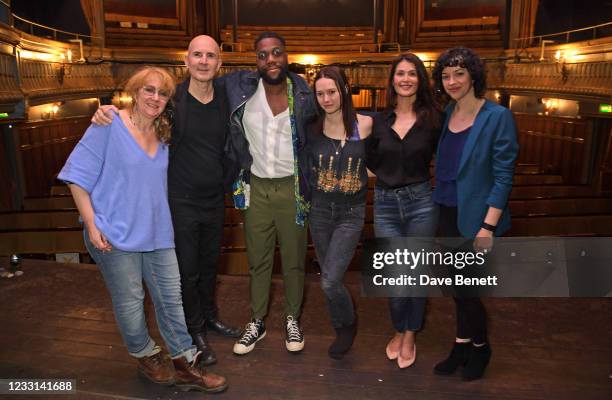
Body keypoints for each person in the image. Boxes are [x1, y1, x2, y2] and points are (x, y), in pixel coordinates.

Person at [58, 66, 228, 393]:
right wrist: (91, 222)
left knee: (171, 298)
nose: (155, 98)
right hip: (112, 230)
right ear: (135, 92)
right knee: (131, 300)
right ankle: (145, 354)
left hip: (157, 232)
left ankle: (185, 363)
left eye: (163, 93)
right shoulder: (108, 125)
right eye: (148, 90)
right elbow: (77, 176)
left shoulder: (165, 134)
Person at [91, 35, 241, 367]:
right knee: (187, 271)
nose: (203, 61)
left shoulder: (227, 100)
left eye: (210, 56)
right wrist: (108, 111)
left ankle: (210, 317)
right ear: (186, 60)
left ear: (219, 63)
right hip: (179, 201)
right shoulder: (173, 102)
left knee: (208, 265)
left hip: (215, 199)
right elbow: (140, 113)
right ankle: (194, 330)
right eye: (197, 55)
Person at [223, 32, 317, 355]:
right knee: (258, 261)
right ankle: (257, 321)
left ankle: (292, 318)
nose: (270, 59)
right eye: (263, 55)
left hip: (292, 186)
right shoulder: (239, 89)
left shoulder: (304, 92)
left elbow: (334, 118)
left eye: (276, 52)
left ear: (286, 54)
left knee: (293, 261)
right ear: (256, 60)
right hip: (256, 187)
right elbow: (197, 89)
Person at [430, 47, 519, 381]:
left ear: (473, 76)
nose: (451, 81)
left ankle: (480, 346)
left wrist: (487, 227)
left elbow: (503, 176)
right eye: (446, 75)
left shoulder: (497, 116)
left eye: (459, 74)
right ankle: (462, 343)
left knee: (466, 289)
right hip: (446, 211)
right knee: (456, 287)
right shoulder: (447, 113)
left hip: (477, 218)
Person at [366, 53, 442, 369]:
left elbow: (449, 158)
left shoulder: (435, 118)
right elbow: (367, 161)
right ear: (392, 80)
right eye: (400, 74)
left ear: (419, 80)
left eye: (412, 73)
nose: (406, 79)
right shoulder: (378, 122)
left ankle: (409, 333)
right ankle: (400, 326)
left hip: (422, 203)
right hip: (385, 204)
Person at [306, 66, 372, 359]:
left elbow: (382, 160)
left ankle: (346, 324)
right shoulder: (312, 128)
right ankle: (340, 322)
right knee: (328, 280)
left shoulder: (366, 124)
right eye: (320, 93)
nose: (326, 98)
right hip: (319, 211)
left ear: (343, 90)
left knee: (330, 280)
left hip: (351, 212)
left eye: (331, 91)